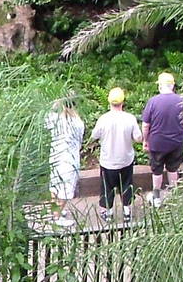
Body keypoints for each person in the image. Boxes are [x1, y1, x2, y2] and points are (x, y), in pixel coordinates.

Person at [90, 86, 142, 224]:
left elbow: (94, 135)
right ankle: (126, 211)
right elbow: (138, 138)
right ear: (123, 102)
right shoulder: (130, 118)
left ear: (109, 102)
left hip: (108, 161)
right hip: (126, 159)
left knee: (107, 187)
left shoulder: (103, 119)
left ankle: (109, 213)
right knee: (126, 185)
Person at [141, 71, 183, 205]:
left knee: (157, 171)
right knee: (173, 169)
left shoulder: (153, 102)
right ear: (173, 86)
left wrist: (145, 140)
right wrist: (181, 134)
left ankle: (157, 198)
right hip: (176, 142)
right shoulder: (182, 101)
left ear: (160, 86)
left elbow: (146, 125)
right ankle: (174, 197)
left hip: (157, 143)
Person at [44, 91, 85, 227]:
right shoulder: (77, 122)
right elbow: (79, 141)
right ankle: (56, 218)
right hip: (70, 159)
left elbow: (45, 117)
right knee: (66, 189)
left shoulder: (54, 118)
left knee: (55, 186)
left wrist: (55, 105)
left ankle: (55, 212)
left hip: (55, 157)